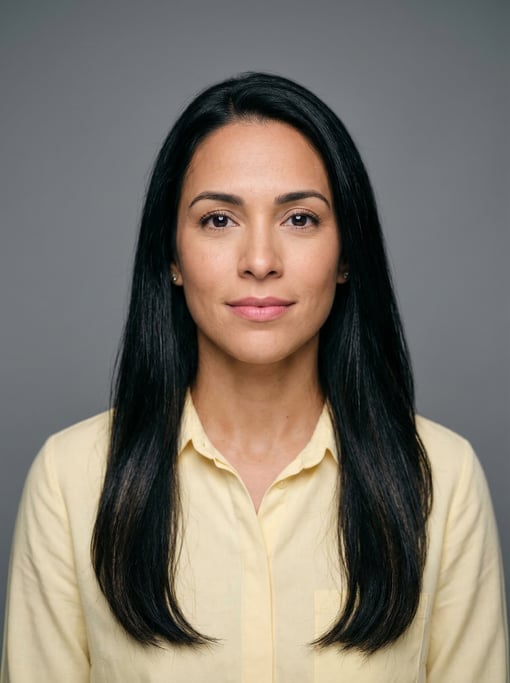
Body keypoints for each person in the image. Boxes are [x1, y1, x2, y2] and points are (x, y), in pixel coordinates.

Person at [1, 73, 508, 683]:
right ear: (172, 257)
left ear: (347, 254)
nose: (260, 261)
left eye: (299, 219)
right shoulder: (70, 479)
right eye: (219, 220)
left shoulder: (443, 480)